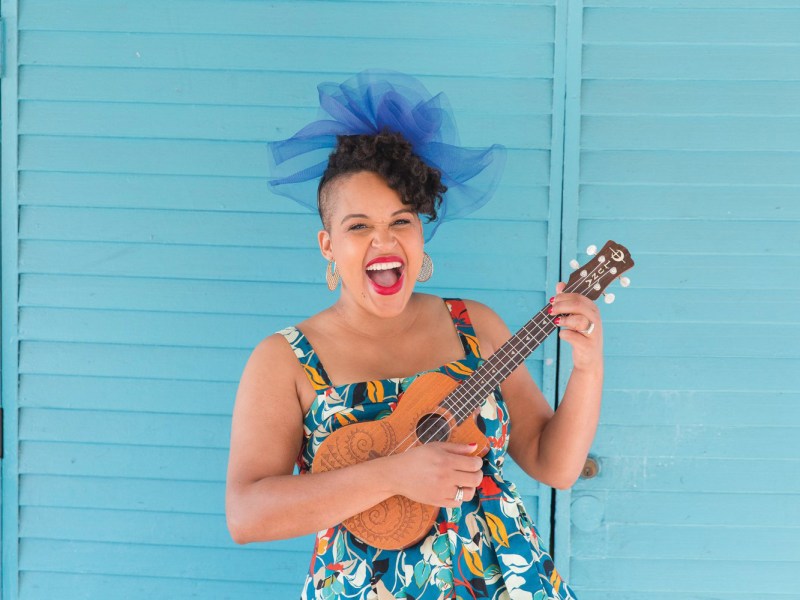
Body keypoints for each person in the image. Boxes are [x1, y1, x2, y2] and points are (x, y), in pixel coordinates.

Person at [225, 71, 602, 600]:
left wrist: (587, 365)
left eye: (401, 221)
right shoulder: (285, 359)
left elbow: (553, 464)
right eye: (358, 226)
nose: (384, 240)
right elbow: (247, 515)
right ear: (327, 245)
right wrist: (395, 474)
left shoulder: (475, 326)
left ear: (421, 234)